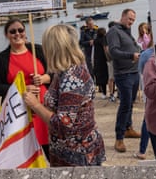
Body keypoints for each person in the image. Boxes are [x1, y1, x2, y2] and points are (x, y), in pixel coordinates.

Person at [23, 24, 106, 167]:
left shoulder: (72, 77)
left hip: (77, 155)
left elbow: (63, 125)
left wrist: (35, 105)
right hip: (67, 150)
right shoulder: (63, 71)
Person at [0, 18, 50, 158]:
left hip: (43, 109)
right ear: (7, 35)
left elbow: (54, 72)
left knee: (51, 153)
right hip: (18, 113)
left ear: (25, 32)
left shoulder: (38, 50)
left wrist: (43, 78)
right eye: (12, 31)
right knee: (24, 155)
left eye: (20, 30)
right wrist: (22, 89)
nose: (17, 34)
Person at [106, 9, 142, 153]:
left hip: (134, 72)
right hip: (123, 74)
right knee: (125, 105)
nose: (131, 22)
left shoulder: (126, 30)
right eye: (129, 19)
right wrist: (131, 55)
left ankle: (128, 128)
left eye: (133, 20)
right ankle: (119, 138)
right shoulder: (114, 31)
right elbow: (113, 52)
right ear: (122, 17)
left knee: (130, 103)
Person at [133, 37, 154, 160]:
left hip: (150, 91)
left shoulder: (145, 54)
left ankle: (142, 150)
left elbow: (140, 71)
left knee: (147, 119)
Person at [93, 27, 109, 99]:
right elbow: (106, 49)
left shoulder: (95, 41)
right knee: (108, 75)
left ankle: (103, 92)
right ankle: (111, 92)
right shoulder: (104, 40)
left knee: (101, 77)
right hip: (105, 59)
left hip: (97, 60)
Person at [107, 21, 116, 102]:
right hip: (112, 60)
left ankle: (114, 94)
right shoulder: (108, 36)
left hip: (117, 59)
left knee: (114, 77)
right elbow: (106, 49)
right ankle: (111, 94)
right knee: (111, 78)